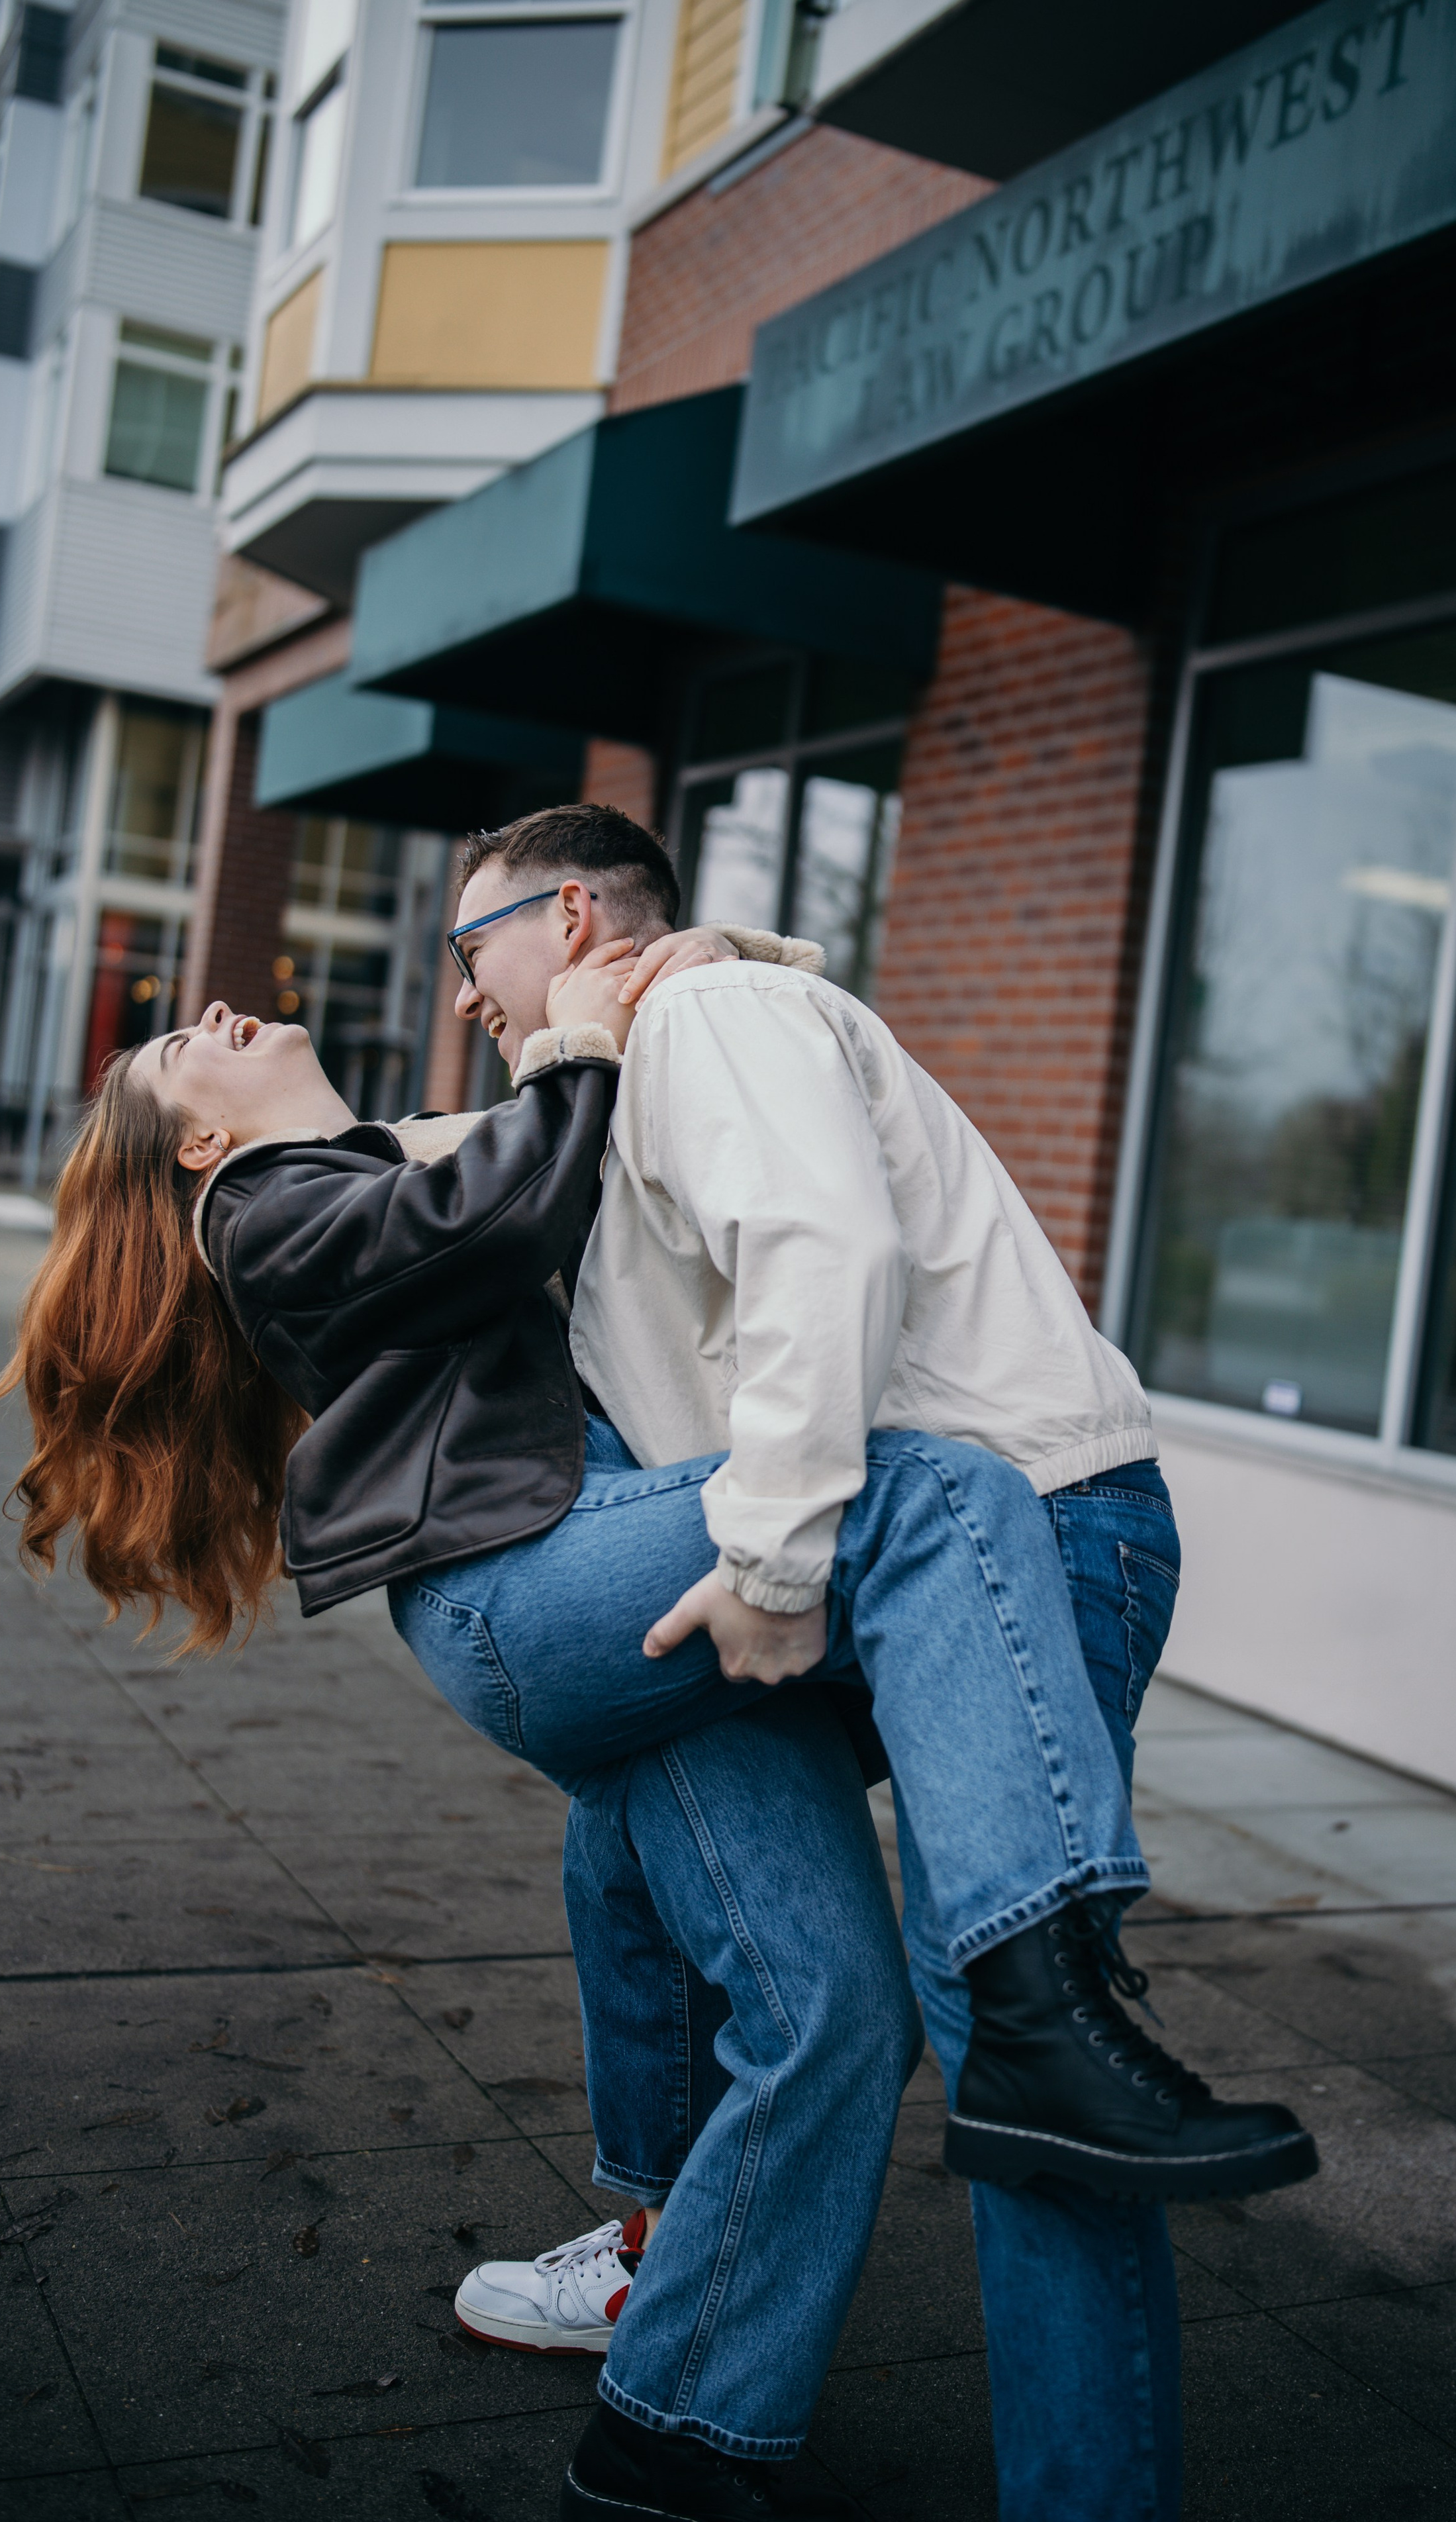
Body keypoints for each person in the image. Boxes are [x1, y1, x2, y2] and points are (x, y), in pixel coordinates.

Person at [0, 955, 1310, 2522]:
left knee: (830, 2007)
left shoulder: (359, 1163)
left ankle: (668, 2439)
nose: (211, 1015)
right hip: (528, 1588)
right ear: (198, 1149)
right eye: (173, 1052)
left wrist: (711, 966)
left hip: (613, 1598)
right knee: (944, 1486)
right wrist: (576, 1039)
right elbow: (507, 1198)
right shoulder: (261, 1209)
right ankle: (1038, 2003)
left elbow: (517, 1134)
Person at [436, 804, 1318, 2522]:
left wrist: (764, 1558)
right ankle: (665, 2258)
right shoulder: (614, 1080)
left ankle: (1090, 2496)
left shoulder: (708, 1014)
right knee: (634, 1806)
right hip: (859, 1544)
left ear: (573, 915)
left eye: (473, 950)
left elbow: (822, 1254)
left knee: (1018, 2044)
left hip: (1022, 1533)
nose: (463, 990)